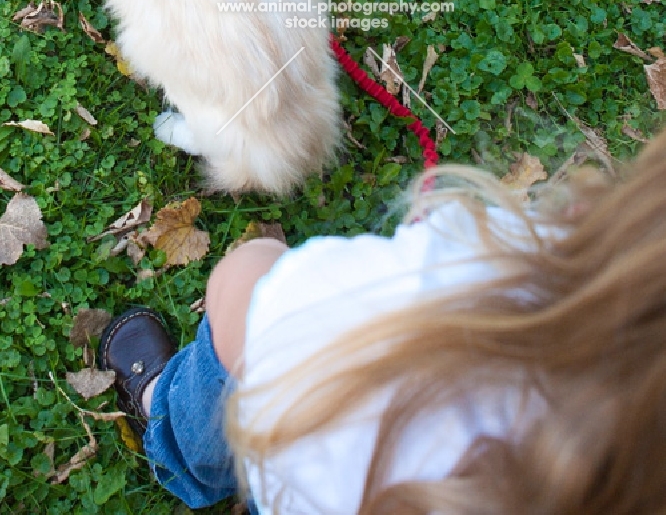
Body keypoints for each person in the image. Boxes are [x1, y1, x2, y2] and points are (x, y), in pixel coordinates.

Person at [99, 129, 666, 513]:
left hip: (303, 464)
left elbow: (251, 295)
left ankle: (178, 438)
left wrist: (256, 270)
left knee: (248, 290)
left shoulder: (457, 275)